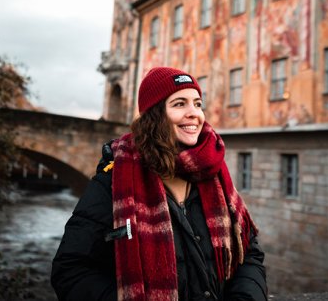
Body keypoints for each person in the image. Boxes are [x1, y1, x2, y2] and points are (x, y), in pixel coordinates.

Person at [52, 67, 266, 301]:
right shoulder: (115, 180)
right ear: (155, 115)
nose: (194, 113)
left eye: (197, 103)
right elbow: (71, 270)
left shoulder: (213, 172)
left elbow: (249, 253)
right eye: (179, 104)